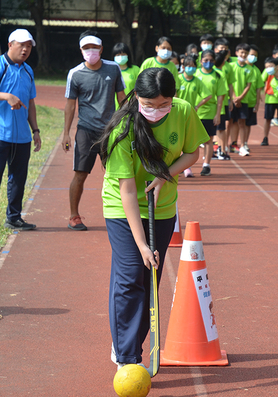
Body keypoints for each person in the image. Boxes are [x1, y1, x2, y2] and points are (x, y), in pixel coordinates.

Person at [99, 67, 209, 369]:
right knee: (131, 275)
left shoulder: (183, 111)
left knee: (149, 280)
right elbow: (126, 191)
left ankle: (126, 342)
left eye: (164, 104)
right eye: (149, 105)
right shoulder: (123, 129)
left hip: (162, 207)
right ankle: (127, 358)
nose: (157, 111)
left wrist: (164, 175)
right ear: (136, 97)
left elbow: (192, 154)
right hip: (123, 209)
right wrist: (142, 245)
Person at [0, 29, 41, 230]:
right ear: (10, 44)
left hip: (22, 136)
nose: (25, 49)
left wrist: (36, 130)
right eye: (21, 45)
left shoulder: (28, 71)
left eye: (29, 46)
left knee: (18, 178)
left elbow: (30, 103)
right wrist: (6, 96)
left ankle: (14, 217)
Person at [62, 31, 126, 230]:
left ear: (101, 49)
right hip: (86, 131)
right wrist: (66, 133)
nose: (91, 51)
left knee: (118, 174)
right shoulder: (75, 73)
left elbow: (122, 99)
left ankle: (123, 215)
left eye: (94, 48)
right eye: (86, 48)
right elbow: (70, 105)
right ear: (81, 50)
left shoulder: (113, 69)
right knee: (80, 174)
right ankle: (74, 216)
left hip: (110, 130)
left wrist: (126, 124)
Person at [176, 54, 212, 177]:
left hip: (189, 115)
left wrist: (196, 106)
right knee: (178, 140)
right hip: (177, 114)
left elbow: (208, 95)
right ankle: (179, 165)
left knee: (189, 141)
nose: (191, 68)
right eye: (188, 66)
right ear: (183, 67)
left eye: (193, 66)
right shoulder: (178, 79)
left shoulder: (197, 81)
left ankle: (187, 167)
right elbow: (173, 95)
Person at [195, 50, 227, 175]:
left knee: (209, 140)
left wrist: (218, 114)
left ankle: (206, 165)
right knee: (190, 141)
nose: (208, 63)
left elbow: (220, 97)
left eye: (211, 60)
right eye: (205, 60)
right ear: (200, 61)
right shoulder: (196, 73)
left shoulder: (218, 75)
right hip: (195, 111)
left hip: (210, 112)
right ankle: (187, 166)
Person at [228, 43, 255, 157]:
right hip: (232, 99)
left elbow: (248, 86)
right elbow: (230, 83)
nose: (243, 54)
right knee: (231, 122)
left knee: (241, 122)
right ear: (237, 53)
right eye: (241, 52)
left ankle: (243, 145)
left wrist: (240, 98)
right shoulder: (231, 66)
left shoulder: (250, 69)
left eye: (245, 53)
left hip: (243, 100)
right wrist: (234, 97)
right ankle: (231, 144)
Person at [261, 56, 278, 146]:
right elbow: (261, 80)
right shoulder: (267, 71)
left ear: (277, 66)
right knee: (267, 119)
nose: (269, 68)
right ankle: (265, 137)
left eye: (271, 66)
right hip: (270, 98)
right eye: (267, 66)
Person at [244, 44, 264, 147]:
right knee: (238, 123)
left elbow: (259, 89)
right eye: (251, 54)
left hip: (251, 102)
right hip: (241, 101)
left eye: (255, 56)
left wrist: (257, 104)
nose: (253, 57)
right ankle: (235, 143)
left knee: (248, 124)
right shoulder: (240, 66)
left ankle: (245, 143)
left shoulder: (256, 71)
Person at [112, 42, 140, 109]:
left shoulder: (136, 69)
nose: (120, 57)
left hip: (133, 107)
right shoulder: (111, 71)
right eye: (118, 55)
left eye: (123, 54)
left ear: (128, 55)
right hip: (115, 108)